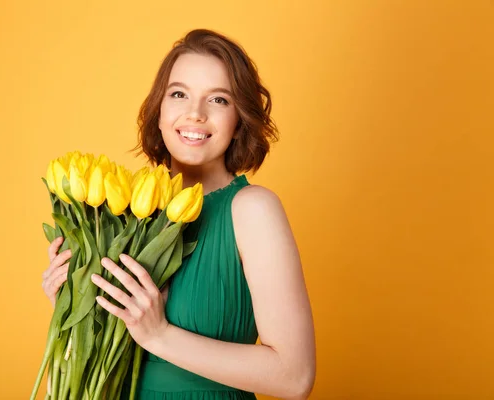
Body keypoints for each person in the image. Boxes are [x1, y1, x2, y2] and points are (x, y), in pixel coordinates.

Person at [41, 28, 316, 399]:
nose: (195, 114)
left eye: (218, 100)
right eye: (179, 94)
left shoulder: (252, 210)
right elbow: (100, 364)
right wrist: (71, 305)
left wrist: (160, 335)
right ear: (159, 111)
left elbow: (294, 378)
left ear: (238, 122)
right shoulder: (117, 212)